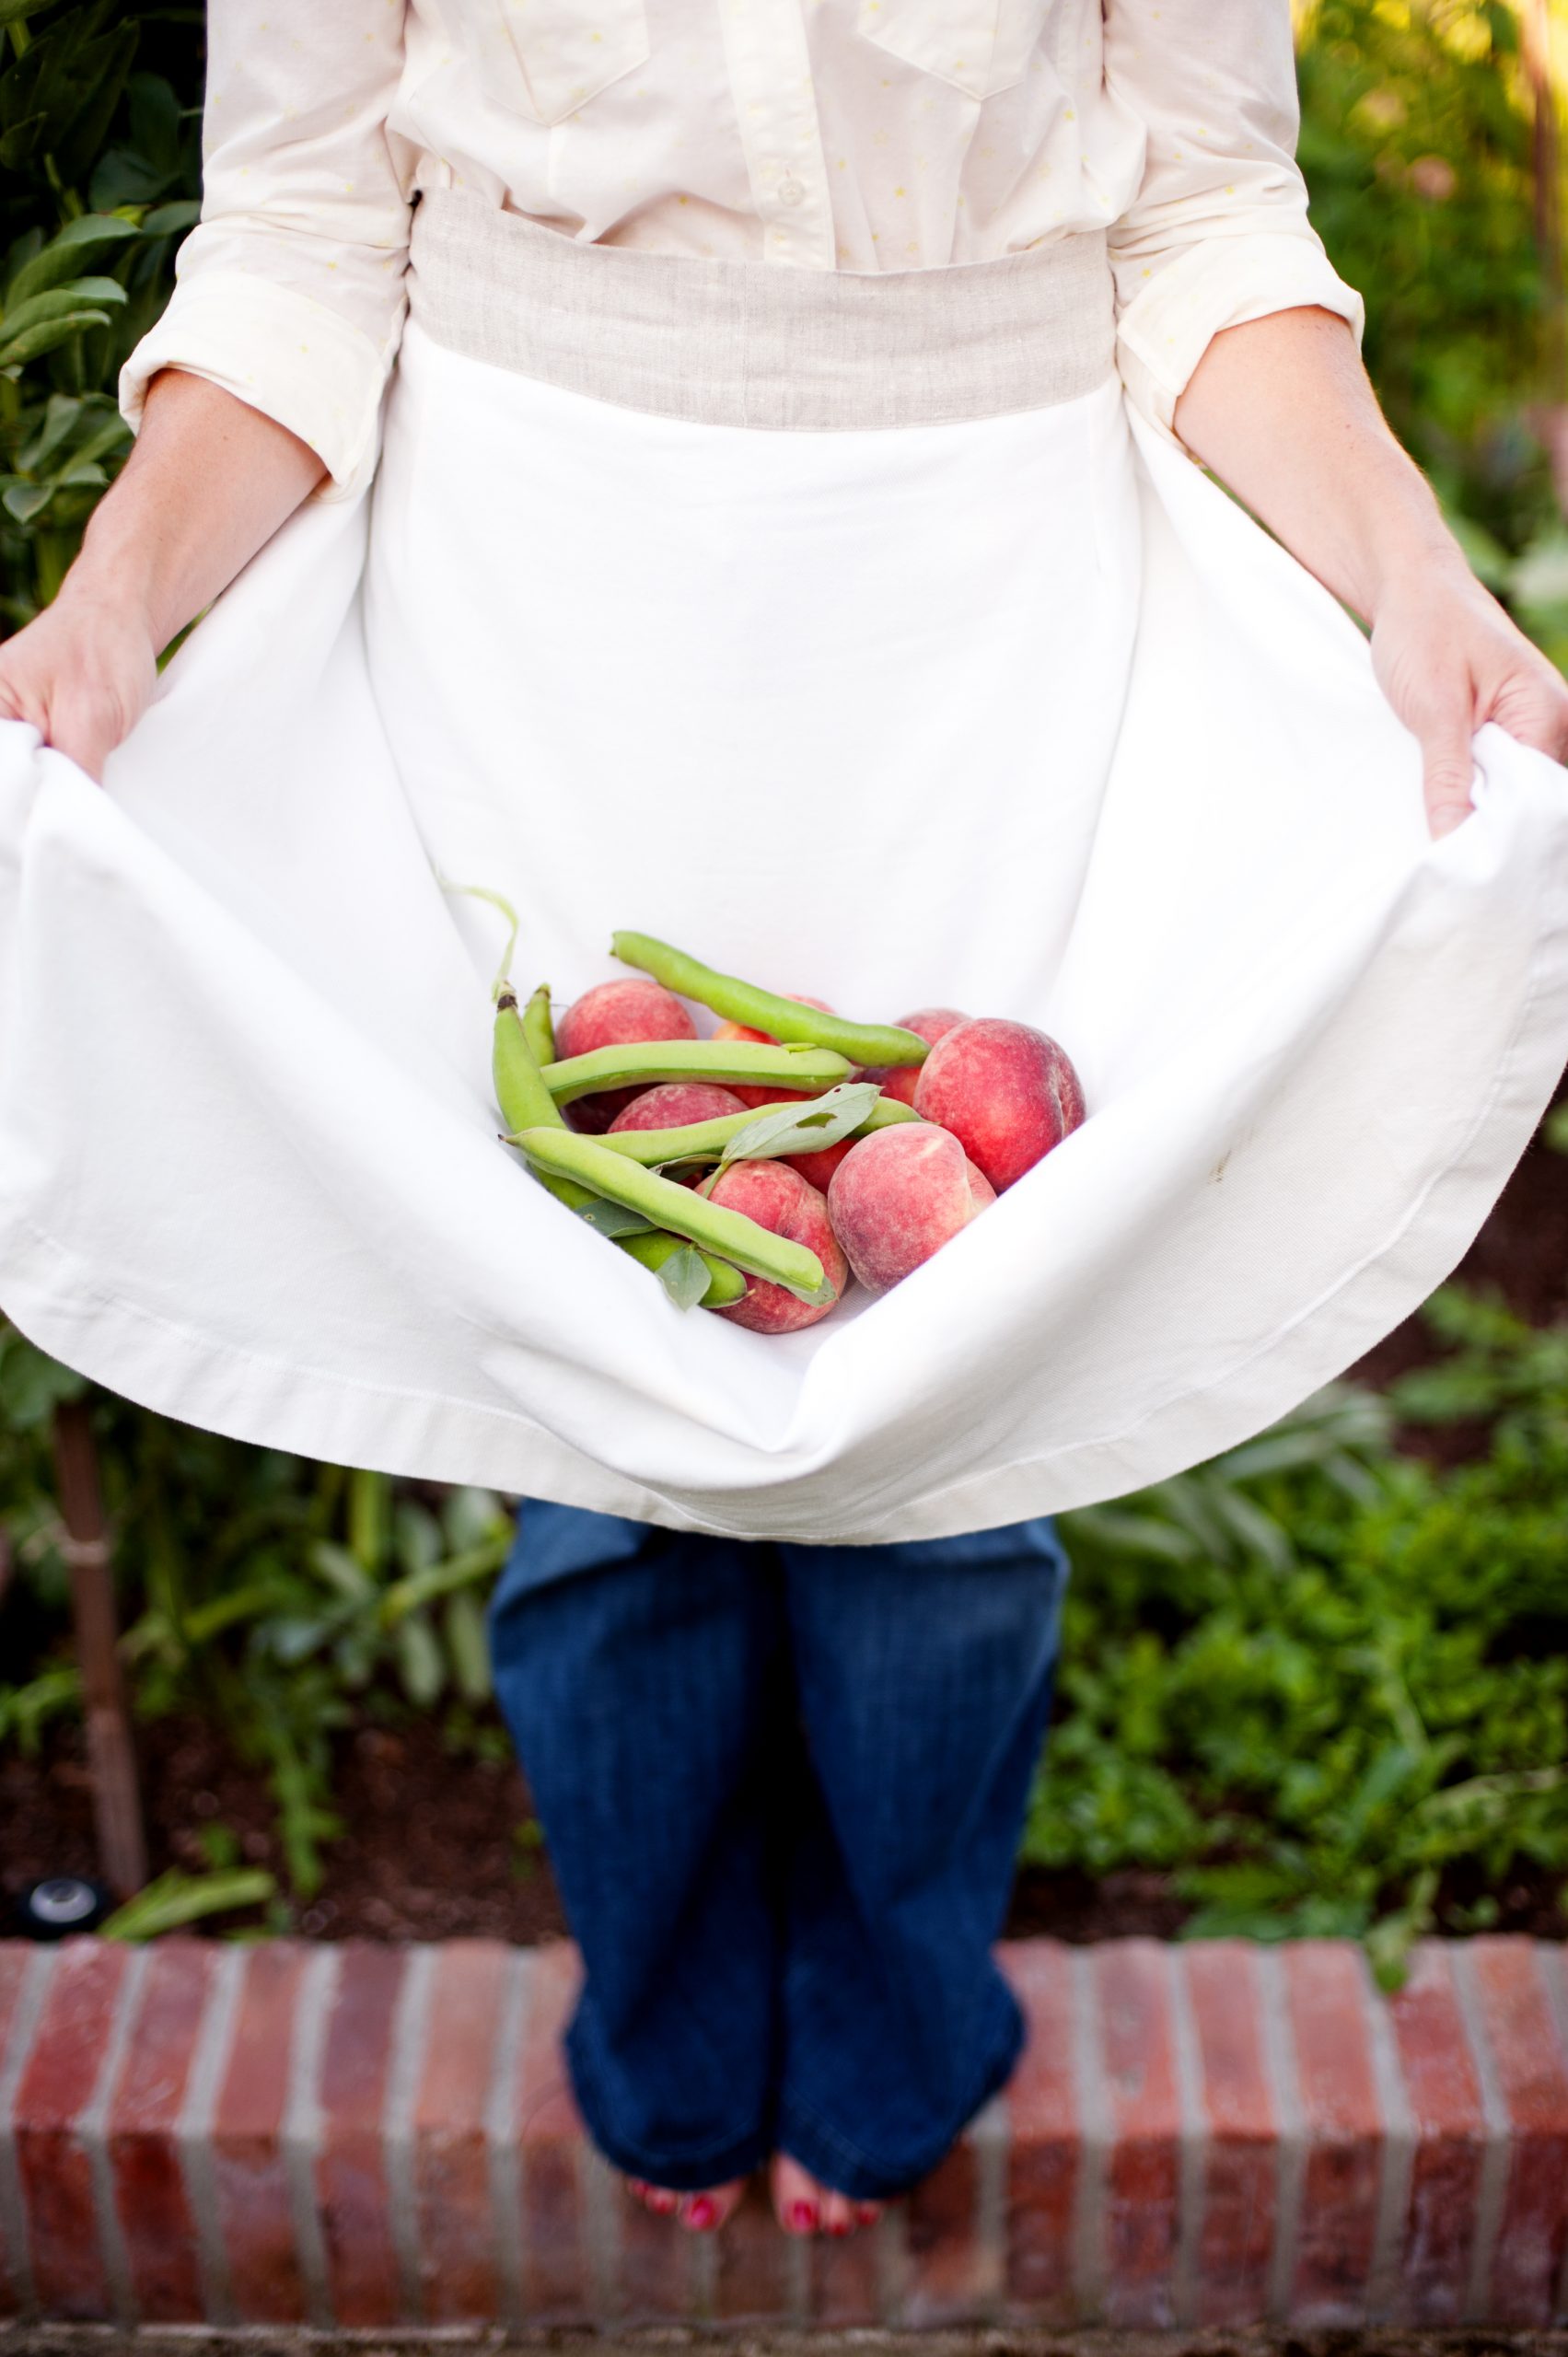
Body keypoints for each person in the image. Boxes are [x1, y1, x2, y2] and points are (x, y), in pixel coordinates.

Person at [2, 0, 1566, 2247]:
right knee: (609, 1446)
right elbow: (308, 235)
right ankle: (660, 2031)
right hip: (543, 611)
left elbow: (1210, 218)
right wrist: (116, 598)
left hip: (986, 623)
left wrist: (1413, 568)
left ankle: (902, 2018)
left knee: (947, 1459)